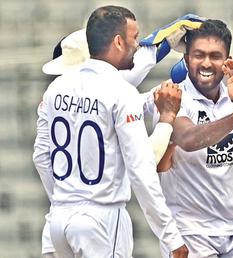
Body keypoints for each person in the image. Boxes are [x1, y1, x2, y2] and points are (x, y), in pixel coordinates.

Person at [32, 5, 188, 257]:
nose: (137, 45)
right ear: (117, 41)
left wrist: (67, 200)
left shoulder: (55, 89)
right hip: (101, 219)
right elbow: (141, 170)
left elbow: (40, 157)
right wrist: (170, 236)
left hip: (58, 219)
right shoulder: (120, 92)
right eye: (134, 38)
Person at [157, 19, 233, 257]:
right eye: (199, 55)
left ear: (227, 60)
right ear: (186, 59)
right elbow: (187, 138)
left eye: (215, 56)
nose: (206, 63)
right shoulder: (173, 97)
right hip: (189, 232)